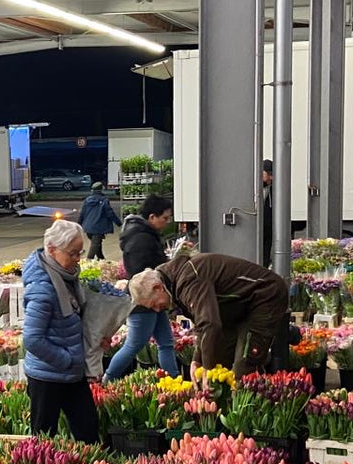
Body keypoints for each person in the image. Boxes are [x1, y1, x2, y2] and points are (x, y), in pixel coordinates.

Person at [129, 252, 289, 373]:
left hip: (265, 296)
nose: (157, 310)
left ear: (158, 288)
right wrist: (196, 361)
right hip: (237, 308)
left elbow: (209, 324)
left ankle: (249, 410)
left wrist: (206, 369)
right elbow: (203, 323)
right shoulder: (177, 283)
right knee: (221, 364)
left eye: (154, 304)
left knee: (244, 366)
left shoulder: (188, 280)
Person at [21, 219, 100, 442]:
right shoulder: (43, 288)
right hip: (48, 376)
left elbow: (73, 319)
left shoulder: (66, 278)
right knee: (44, 438)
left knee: (89, 430)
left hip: (72, 372)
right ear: (52, 250)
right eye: (72, 254)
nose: (77, 260)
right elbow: (32, 339)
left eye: (80, 253)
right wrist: (66, 359)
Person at [105, 195, 179, 380]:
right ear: (152, 217)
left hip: (155, 298)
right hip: (144, 300)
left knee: (166, 343)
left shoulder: (143, 234)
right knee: (134, 345)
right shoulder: (141, 240)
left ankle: (174, 379)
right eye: (165, 218)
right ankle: (107, 379)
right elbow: (141, 275)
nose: (167, 222)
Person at [78, 181, 122, 260]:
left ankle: (102, 260)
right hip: (98, 227)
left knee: (97, 245)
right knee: (95, 246)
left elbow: (82, 213)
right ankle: (88, 262)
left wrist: (78, 225)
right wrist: (119, 223)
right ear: (101, 189)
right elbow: (110, 213)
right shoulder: (104, 200)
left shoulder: (87, 200)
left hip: (88, 228)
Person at [260, 159, 274, 267]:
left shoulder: (272, 188)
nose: (270, 178)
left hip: (268, 226)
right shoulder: (256, 188)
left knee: (266, 248)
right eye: (268, 174)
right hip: (260, 224)